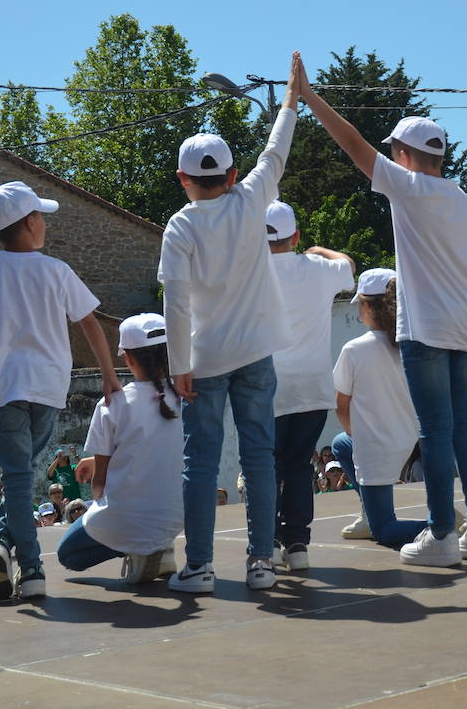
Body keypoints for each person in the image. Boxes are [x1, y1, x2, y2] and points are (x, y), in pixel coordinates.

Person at [290, 53, 467, 567]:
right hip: (466, 326)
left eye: (395, 152)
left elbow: (354, 145)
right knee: (462, 428)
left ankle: (443, 537)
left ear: (404, 154)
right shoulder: (462, 199)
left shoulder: (409, 186)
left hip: (426, 326)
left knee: (435, 431)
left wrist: (311, 98)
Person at [158, 64, 301, 593]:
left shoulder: (182, 224)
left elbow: (175, 301)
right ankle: (261, 563)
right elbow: (275, 151)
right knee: (260, 456)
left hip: (206, 359)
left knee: (200, 461)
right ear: (233, 174)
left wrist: (180, 369)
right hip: (256, 354)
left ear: (183, 179)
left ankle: (198, 569)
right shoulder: (251, 201)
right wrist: (291, 99)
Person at [0, 179, 121, 600]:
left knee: (16, 479)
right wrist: (108, 373)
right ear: (30, 223)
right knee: (22, 477)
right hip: (49, 388)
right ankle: (19, 558)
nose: (45, 223)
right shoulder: (56, 270)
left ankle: (12, 552)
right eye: (41, 217)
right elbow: (90, 323)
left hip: (4, 388)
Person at [264, 198, 356, 573]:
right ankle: (297, 543)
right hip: (313, 386)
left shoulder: (248, 272)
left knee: (265, 467)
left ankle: (267, 543)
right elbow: (349, 265)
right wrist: (318, 249)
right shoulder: (318, 268)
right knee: (299, 465)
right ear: (296, 236)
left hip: (266, 388)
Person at [60, 313, 185, 586]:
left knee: (68, 554)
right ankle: (159, 548)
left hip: (125, 518)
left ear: (127, 358)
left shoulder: (111, 404)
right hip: (176, 518)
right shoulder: (186, 397)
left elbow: (100, 484)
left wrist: (99, 504)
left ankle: (138, 549)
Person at [330, 269, 427, 549]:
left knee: (384, 531)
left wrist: (358, 437)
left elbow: (341, 407)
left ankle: (441, 524)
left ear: (368, 306)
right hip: (411, 441)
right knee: (341, 444)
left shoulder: (353, 349)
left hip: (376, 449)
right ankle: (368, 512)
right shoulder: (413, 344)